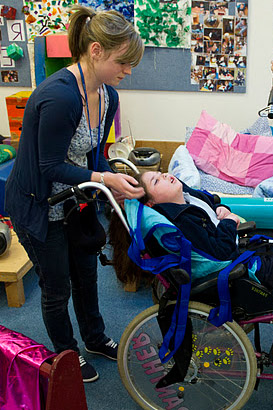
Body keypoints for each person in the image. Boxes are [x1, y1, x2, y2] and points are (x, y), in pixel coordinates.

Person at [5, 5, 144, 383]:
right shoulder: (60, 96)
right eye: (123, 62)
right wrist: (103, 179)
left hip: (74, 202)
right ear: (95, 50)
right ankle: (65, 355)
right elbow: (49, 167)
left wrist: (115, 178)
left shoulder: (107, 96)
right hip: (37, 204)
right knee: (57, 286)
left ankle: (95, 338)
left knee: (86, 275)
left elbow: (95, 152)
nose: (127, 71)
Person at [134, 171, 273, 291]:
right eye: (156, 181)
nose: (164, 175)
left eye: (161, 173)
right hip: (237, 263)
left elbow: (212, 202)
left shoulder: (189, 196)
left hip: (240, 245)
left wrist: (222, 208)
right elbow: (221, 252)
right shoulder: (183, 222)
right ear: (150, 203)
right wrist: (229, 221)